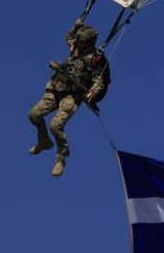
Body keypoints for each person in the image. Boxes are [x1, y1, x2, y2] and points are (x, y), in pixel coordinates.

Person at [27, 18, 107, 177]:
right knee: (34, 115)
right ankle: (44, 141)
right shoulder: (76, 46)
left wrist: (93, 92)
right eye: (79, 40)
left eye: (82, 41)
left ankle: (61, 158)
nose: (78, 43)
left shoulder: (95, 59)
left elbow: (99, 81)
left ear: (89, 43)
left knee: (55, 125)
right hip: (57, 88)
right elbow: (68, 37)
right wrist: (76, 26)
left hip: (72, 95)